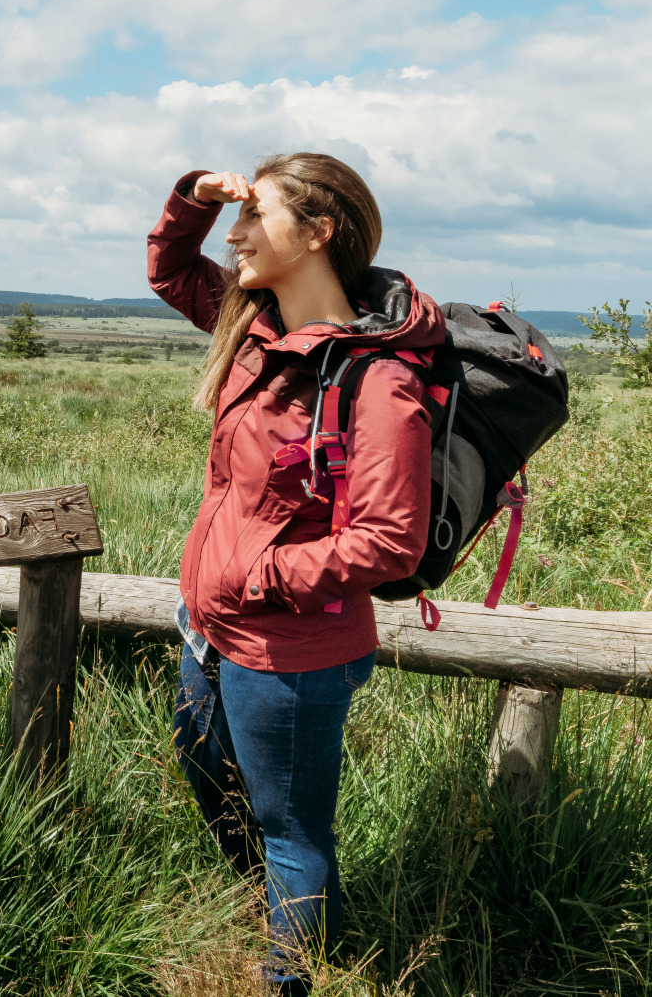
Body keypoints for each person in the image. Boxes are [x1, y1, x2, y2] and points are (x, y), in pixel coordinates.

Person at [147, 153, 445, 992]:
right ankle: (289, 923)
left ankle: (290, 975)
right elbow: (169, 269)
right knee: (212, 782)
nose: (236, 235)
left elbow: (391, 541)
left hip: (290, 654)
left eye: (255, 217)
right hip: (208, 631)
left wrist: (258, 575)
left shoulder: (379, 379)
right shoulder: (252, 329)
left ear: (319, 233)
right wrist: (194, 195)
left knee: (290, 828)